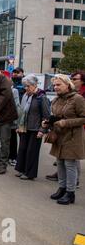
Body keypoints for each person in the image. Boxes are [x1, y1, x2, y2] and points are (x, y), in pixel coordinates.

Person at [46, 74, 85, 205]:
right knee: (60, 163)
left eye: (58, 84)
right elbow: (55, 115)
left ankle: (70, 193)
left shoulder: (77, 98)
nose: (55, 87)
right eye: (55, 85)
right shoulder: (56, 99)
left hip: (72, 136)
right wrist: (47, 122)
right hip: (58, 135)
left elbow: (83, 118)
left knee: (70, 165)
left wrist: (65, 123)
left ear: (67, 85)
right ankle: (62, 189)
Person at [15, 75, 50, 180]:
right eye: (25, 86)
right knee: (22, 149)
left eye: (28, 86)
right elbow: (22, 112)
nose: (26, 88)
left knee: (32, 151)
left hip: (35, 129)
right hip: (24, 128)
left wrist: (42, 130)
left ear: (34, 85)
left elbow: (46, 116)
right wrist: (18, 126)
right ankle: (22, 169)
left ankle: (29, 173)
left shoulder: (41, 97)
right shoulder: (26, 95)